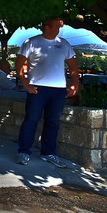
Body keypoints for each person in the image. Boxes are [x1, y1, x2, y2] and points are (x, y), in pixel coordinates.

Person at [15, 17, 79, 167]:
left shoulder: (63, 44)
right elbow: (18, 65)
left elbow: (73, 67)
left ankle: (48, 153)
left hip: (58, 90)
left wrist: (74, 85)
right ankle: (23, 152)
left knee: (53, 122)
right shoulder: (31, 42)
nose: (59, 29)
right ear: (47, 27)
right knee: (31, 120)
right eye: (57, 26)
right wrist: (26, 84)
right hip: (38, 88)